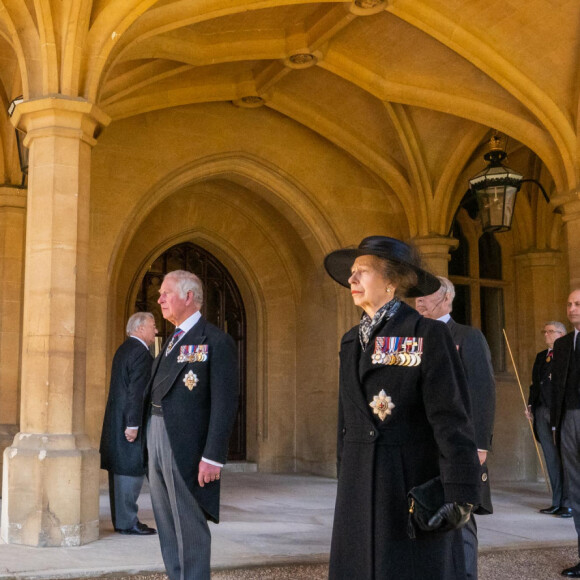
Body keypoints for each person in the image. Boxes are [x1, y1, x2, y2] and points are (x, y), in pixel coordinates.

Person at [324, 236, 481, 580]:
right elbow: (346, 420)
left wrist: (461, 493)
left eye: (362, 272)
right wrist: (345, 473)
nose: (351, 280)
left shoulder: (427, 334)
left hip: (407, 481)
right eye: (352, 273)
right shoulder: (351, 340)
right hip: (359, 482)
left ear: (392, 282)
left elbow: (452, 420)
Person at [143, 270, 238, 580]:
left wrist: (213, 456)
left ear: (188, 297)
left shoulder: (216, 340)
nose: (159, 299)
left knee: (188, 523)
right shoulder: (172, 340)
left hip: (186, 445)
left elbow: (224, 403)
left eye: (166, 292)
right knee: (166, 521)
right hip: (157, 433)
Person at [415, 276, 495, 580]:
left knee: (460, 516)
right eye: (417, 297)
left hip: (460, 446)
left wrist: (480, 444)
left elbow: (482, 391)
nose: (420, 301)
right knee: (428, 512)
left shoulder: (467, 336)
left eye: (427, 295)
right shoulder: (414, 335)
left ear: (447, 299)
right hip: (424, 443)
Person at [99, 312, 157, 535]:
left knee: (121, 469)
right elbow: (136, 393)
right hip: (128, 423)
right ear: (140, 328)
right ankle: (127, 522)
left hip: (117, 421)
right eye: (152, 326)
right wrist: (133, 424)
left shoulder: (125, 349)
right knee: (129, 470)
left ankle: (123, 520)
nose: (156, 330)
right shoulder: (141, 353)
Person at [526, 321, 569, 517]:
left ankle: (569, 504)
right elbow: (535, 384)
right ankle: (556, 501)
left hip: (560, 413)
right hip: (541, 410)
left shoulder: (569, 354)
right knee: (551, 458)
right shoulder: (541, 356)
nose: (546, 335)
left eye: (550, 332)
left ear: (561, 334)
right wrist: (530, 405)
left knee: (565, 459)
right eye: (545, 331)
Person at [552, 289, 580, 578]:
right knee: (576, 490)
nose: (572, 309)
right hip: (568, 420)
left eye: (578, 304)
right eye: (569, 303)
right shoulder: (561, 345)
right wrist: (555, 425)